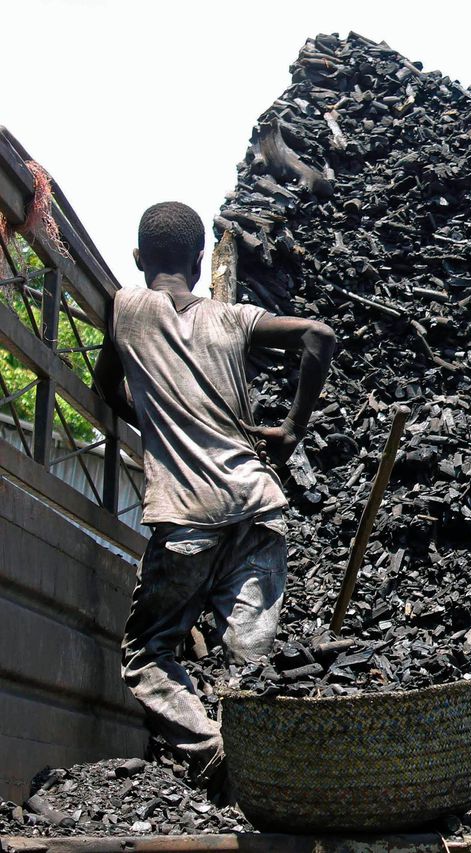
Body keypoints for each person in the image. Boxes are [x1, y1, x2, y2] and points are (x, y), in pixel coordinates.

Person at [92, 202, 336, 785]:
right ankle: (283, 767)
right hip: (259, 508)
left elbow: (106, 387)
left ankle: (210, 752)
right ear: (202, 263)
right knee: (250, 663)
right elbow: (318, 336)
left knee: (149, 653)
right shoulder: (232, 319)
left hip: (188, 520)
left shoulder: (125, 309)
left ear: (138, 259)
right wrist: (293, 428)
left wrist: (150, 421)